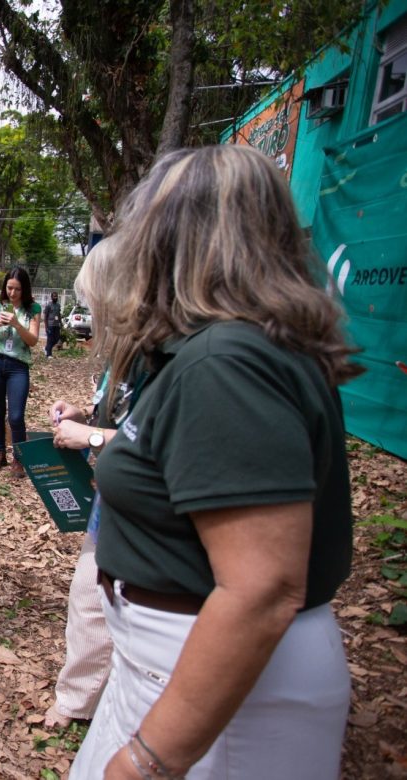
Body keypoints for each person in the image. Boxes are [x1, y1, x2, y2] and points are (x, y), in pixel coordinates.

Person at [70, 145, 359, 779]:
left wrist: (149, 759)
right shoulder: (226, 349)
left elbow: (261, 587)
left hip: (216, 687)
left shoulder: (226, 365)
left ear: (178, 236)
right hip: (166, 665)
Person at [41, 238, 126, 731]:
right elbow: (122, 414)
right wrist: (84, 414)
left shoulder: (170, 357)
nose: (90, 314)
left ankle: (83, 701)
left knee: (96, 598)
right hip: (111, 497)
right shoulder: (124, 354)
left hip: (144, 510)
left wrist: (89, 434)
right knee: (88, 598)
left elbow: (158, 441)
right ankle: (81, 697)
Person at [0, 267, 41, 475]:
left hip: (18, 366)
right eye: (9, 288)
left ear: (24, 289)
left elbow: (32, 341)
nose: (13, 293)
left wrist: (16, 323)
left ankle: (18, 459)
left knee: (16, 416)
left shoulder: (33, 309)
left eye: (17, 289)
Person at [43, 291, 63, 357]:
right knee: (50, 339)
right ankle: (49, 354)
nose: (55, 297)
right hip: (50, 325)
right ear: (51, 297)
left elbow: (59, 315)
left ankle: (46, 348)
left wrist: (61, 323)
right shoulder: (48, 305)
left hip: (57, 325)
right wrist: (46, 327)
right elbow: (45, 317)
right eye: (54, 296)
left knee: (57, 339)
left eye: (56, 296)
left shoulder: (58, 305)